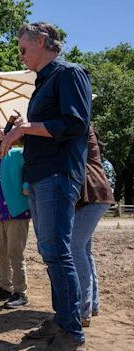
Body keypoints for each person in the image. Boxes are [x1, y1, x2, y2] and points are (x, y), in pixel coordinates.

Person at [1, 22, 92, 351]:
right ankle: (61, 321)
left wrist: (27, 127)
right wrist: (21, 130)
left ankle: (71, 335)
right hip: (40, 176)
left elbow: (75, 123)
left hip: (57, 174)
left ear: (41, 42)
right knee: (51, 253)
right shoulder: (43, 83)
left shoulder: (69, 74)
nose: (21, 56)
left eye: (24, 49)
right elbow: (45, 128)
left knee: (58, 253)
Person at [0, 122, 31, 308]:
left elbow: (32, 168)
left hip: (16, 212)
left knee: (15, 252)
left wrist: (26, 186)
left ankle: (21, 292)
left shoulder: (18, 154)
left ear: (7, 137)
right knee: (1, 253)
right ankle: (5, 287)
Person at [71, 127, 115, 327]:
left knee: (75, 247)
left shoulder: (80, 129)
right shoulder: (85, 130)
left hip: (93, 196)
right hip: (95, 195)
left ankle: (83, 310)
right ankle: (92, 305)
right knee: (85, 250)